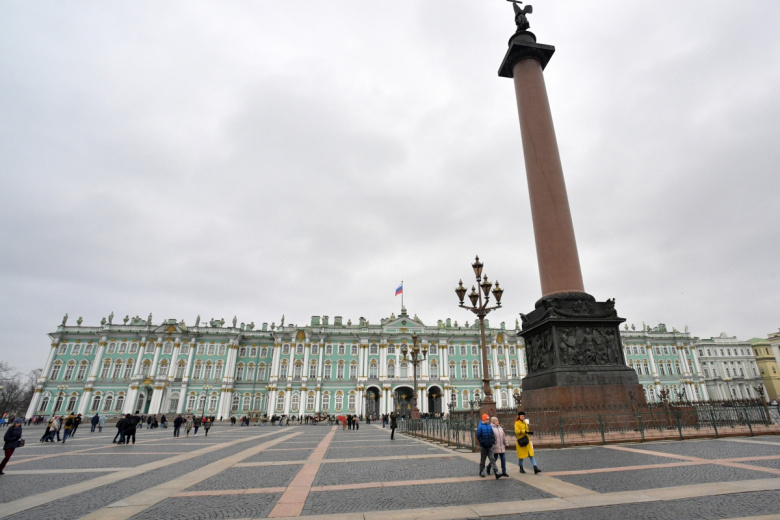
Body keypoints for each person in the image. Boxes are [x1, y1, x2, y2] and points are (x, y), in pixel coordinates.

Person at [476, 414, 501, 479]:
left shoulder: (489, 426)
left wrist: (492, 441)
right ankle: (481, 471)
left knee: (492, 459)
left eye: (488, 419)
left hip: (489, 445)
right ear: (484, 420)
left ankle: (496, 472)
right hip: (483, 446)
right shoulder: (480, 426)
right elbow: (478, 436)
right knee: (483, 459)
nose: (488, 420)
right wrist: (482, 442)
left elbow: (492, 434)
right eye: (487, 419)